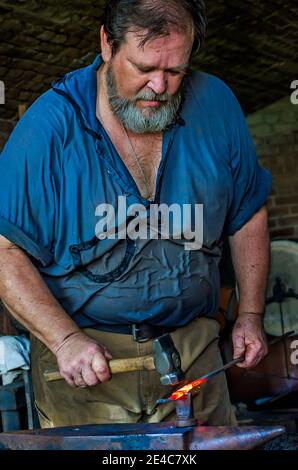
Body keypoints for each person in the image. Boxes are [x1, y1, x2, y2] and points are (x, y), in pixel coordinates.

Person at [0, 0, 271, 428]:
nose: (160, 86)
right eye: (144, 68)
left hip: (195, 350)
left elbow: (248, 212)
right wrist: (65, 339)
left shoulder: (216, 104)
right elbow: (5, 251)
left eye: (175, 71)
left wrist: (251, 314)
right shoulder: (49, 128)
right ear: (107, 44)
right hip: (87, 364)